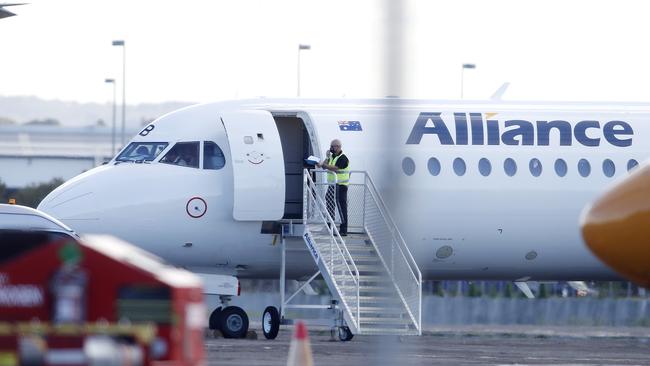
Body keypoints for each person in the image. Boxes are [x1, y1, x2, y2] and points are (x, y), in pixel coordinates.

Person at [316, 139, 350, 236]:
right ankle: (331, 224)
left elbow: (335, 168)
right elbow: (323, 166)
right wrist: (326, 158)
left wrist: (324, 165)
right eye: (331, 146)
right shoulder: (331, 157)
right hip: (332, 185)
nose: (331, 148)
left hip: (341, 185)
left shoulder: (343, 158)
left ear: (338, 147)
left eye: (333, 146)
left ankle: (343, 229)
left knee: (341, 206)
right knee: (329, 201)